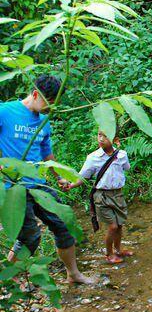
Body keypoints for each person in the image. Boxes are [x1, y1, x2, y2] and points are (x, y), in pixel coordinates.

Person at [0, 75, 94, 284]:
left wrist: (58, 177)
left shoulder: (44, 121)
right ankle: (5, 282)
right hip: (12, 187)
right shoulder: (5, 112)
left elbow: (46, 154)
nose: (49, 109)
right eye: (48, 103)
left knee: (64, 225)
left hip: (38, 185)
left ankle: (73, 275)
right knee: (30, 238)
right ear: (35, 94)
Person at [65, 129, 132, 264]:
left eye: (105, 136)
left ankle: (118, 250)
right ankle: (109, 253)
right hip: (102, 196)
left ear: (115, 140)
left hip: (118, 194)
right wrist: (71, 185)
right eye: (99, 135)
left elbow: (127, 167)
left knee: (119, 225)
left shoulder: (122, 155)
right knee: (112, 226)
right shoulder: (93, 157)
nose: (101, 139)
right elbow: (82, 176)